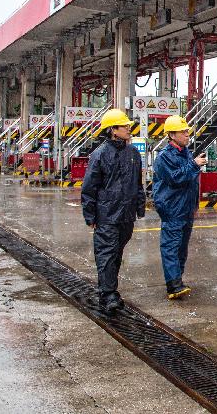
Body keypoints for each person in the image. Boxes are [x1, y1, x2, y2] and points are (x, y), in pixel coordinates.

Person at [81, 108, 146, 313]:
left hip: (126, 215)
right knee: (106, 254)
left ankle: (109, 289)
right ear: (112, 130)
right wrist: (90, 215)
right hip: (107, 214)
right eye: (124, 126)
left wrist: (139, 207)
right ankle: (108, 294)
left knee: (116, 253)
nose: (128, 128)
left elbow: (137, 183)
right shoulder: (99, 154)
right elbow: (89, 187)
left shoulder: (133, 153)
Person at [152, 115, 207, 299]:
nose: (187, 134)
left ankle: (178, 280)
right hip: (172, 209)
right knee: (171, 247)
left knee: (181, 248)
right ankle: (173, 285)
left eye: (187, 131)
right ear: (171, 135)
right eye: (183, 132)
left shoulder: (185, 153)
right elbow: (175, 178)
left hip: (186, 208)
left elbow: (189, 179)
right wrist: (194, 165)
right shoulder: (164, 157)